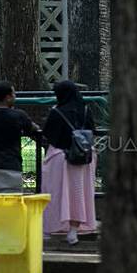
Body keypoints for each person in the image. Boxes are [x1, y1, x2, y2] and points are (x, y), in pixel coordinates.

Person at [42, 80, 97, 245]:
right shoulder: (86, 110)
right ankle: (73, 232)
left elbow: (49, 135)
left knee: (55, 192)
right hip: (84, 158)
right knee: (79, 195)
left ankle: (49, 228)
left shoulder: (57, 112)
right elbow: (92, 131)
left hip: (60, 159)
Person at [0, 81, 40, 206]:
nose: (15, 96)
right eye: (14, 93)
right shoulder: (18, 116)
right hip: (10, 169)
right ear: (8, 97)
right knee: (10, 211)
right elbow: (33, 128)